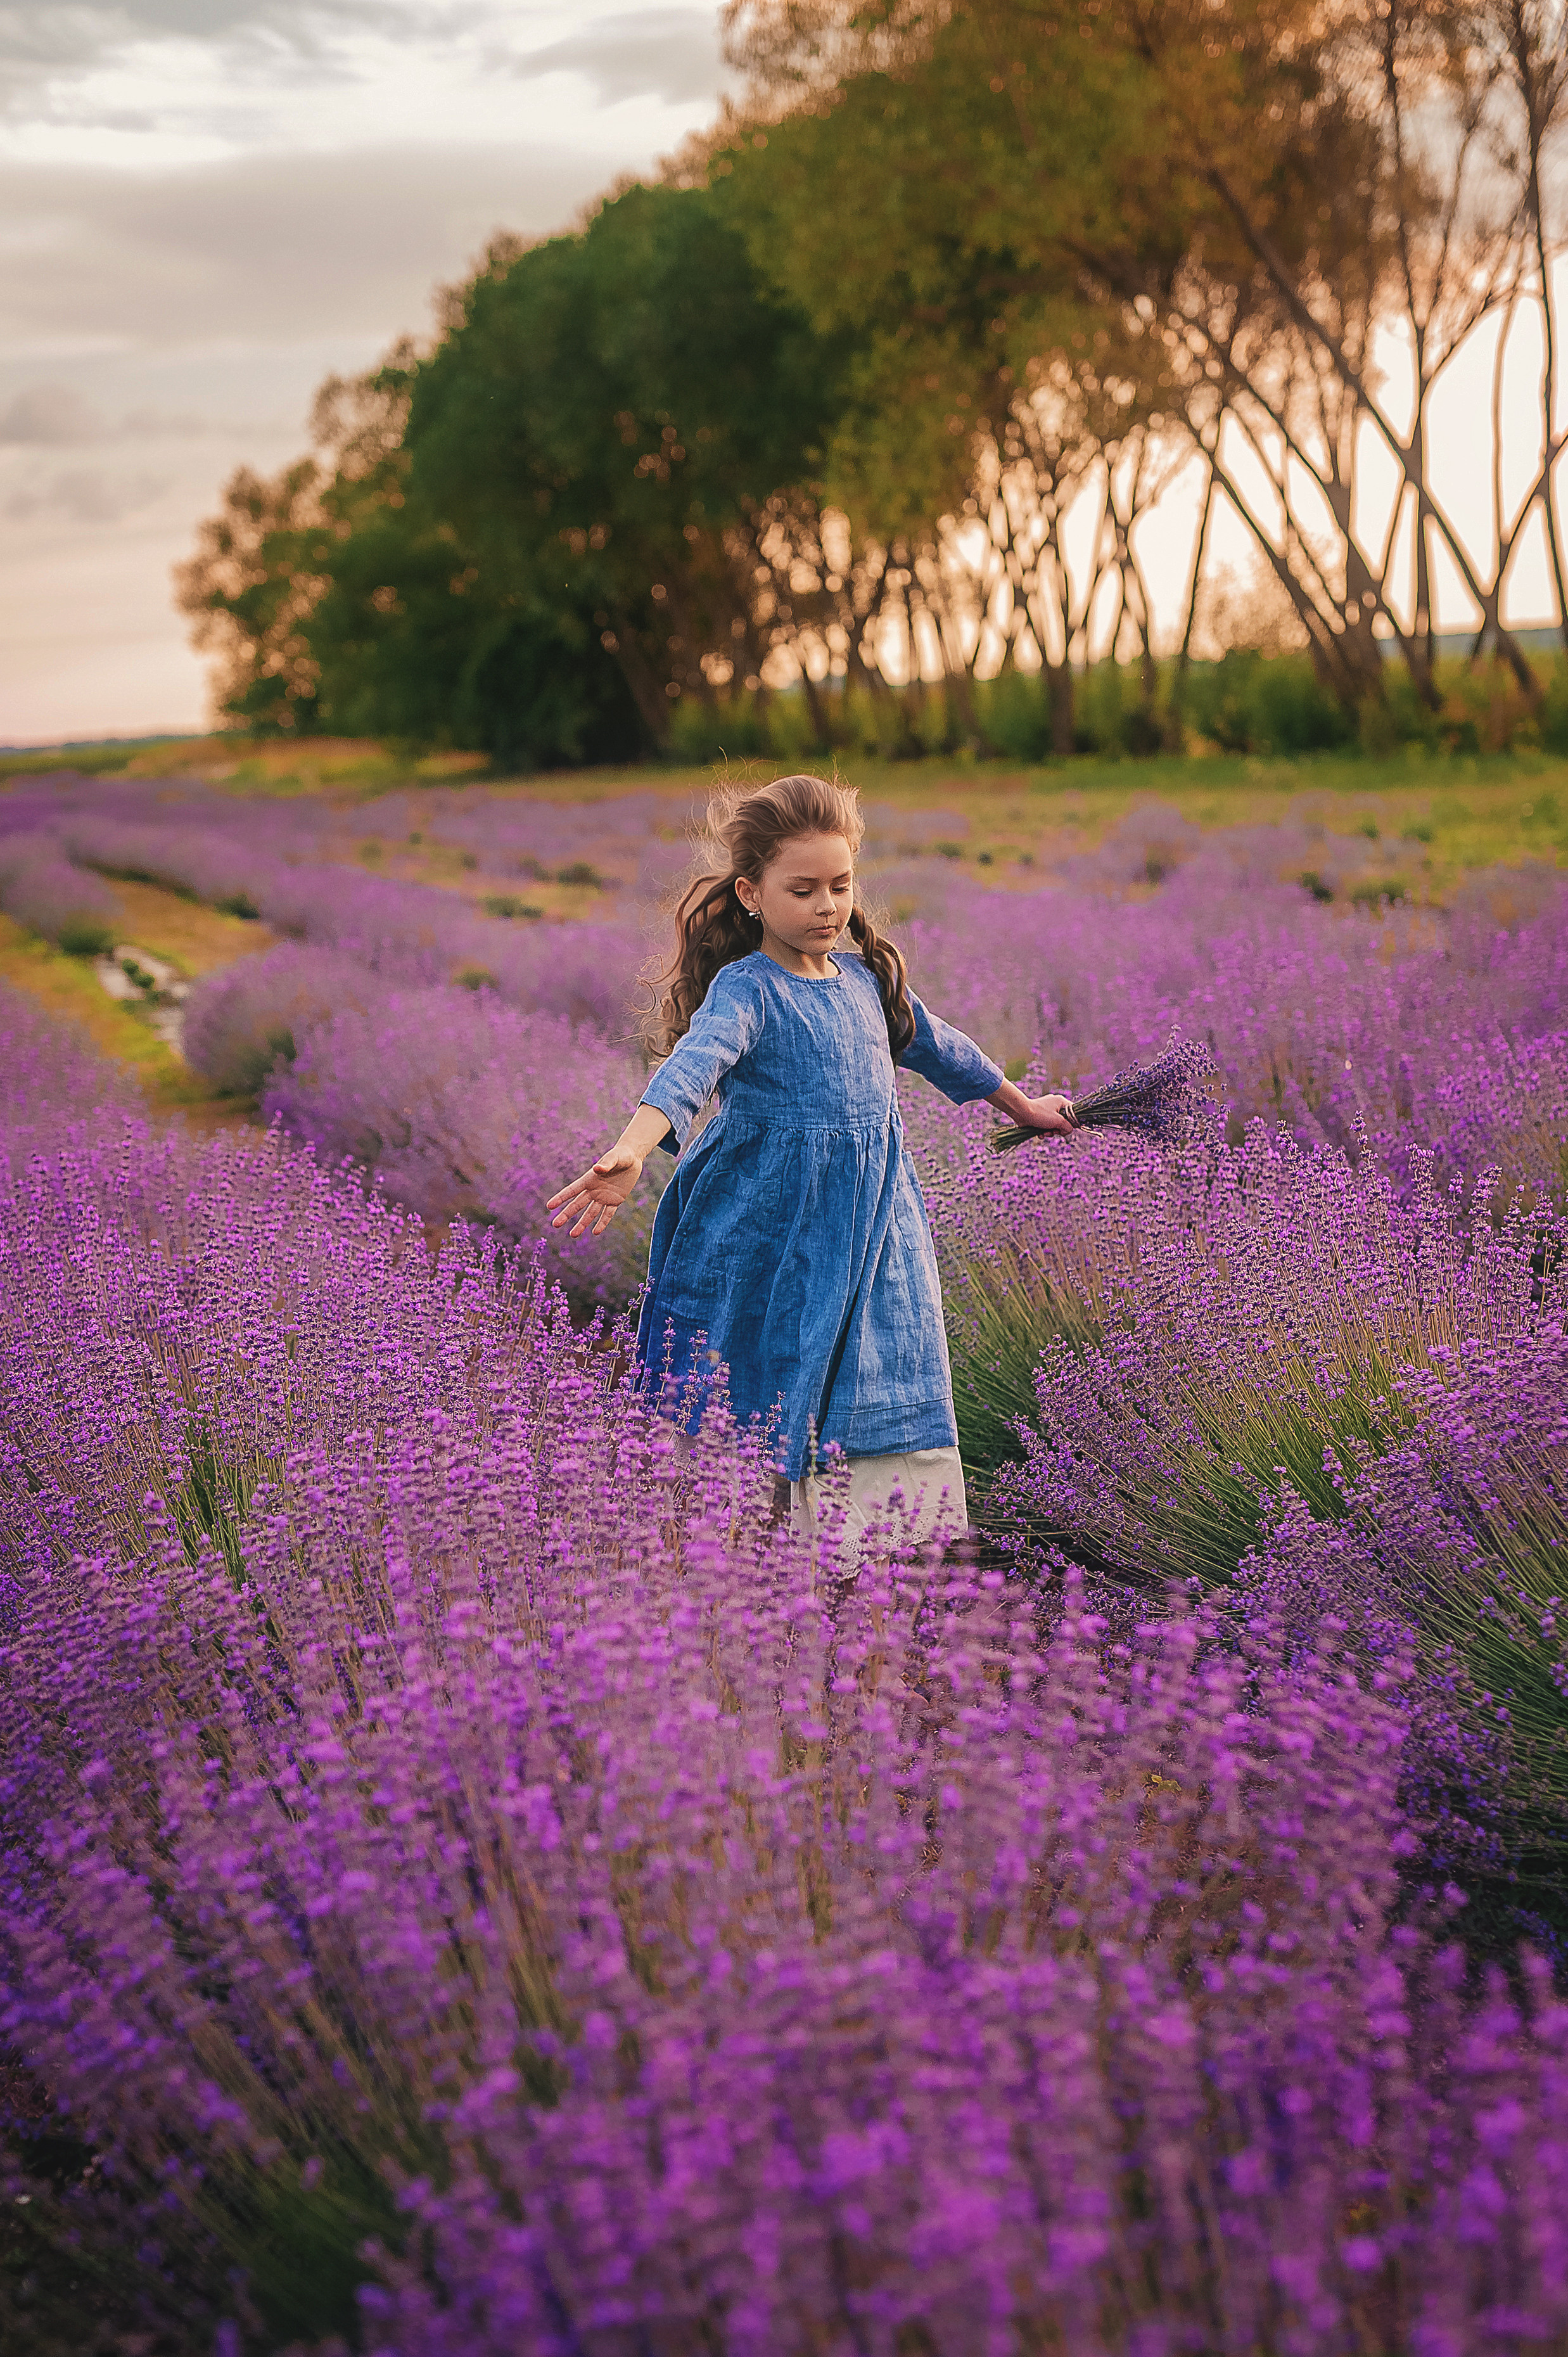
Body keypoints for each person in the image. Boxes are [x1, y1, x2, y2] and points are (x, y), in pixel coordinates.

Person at [547, 774, 1074, 1559]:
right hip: (766, 1220)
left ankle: (846, 1557)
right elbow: (694, 1065)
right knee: (760, 1368)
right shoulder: (748, 989)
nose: (827, 906)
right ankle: (743, 1557)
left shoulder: (868, 982)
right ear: (752, 894)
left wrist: (1023, 1106)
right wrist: (634, 1145)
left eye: (840, 885)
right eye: (803, 890)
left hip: (868, 1226)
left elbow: (941, 1047)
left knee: (871, 1365)